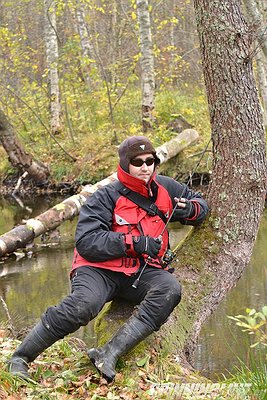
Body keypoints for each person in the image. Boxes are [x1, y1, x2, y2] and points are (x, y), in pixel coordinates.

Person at [8, 136, 208, 383]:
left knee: (169, 289)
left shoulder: (166, 187)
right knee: (83, 306)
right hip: (98, 270)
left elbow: (201, 203)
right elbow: (87, 242)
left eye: (151, 161)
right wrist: (135, 243)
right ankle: (21, 358)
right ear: (125, 164)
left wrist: (190, 210)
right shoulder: (105, 196)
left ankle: (109, 353)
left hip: (141, 272)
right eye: (138, 162)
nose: (146, 167)